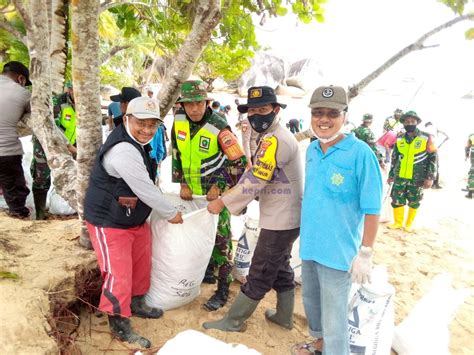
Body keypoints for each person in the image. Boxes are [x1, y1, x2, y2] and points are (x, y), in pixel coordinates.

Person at [83, 97, 183, 348]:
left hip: (132, 218)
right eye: (141, 123)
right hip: (109, 221)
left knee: (140, 265)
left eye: (152, 125)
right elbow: (145, 189)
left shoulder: (139, 142)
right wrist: (171, 212)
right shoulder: (123, 149)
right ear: (127, 119)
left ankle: (137, 304)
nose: (147, 130)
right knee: (119, 274)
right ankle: (119, 323)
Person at [203, 86, 303, 332]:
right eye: (252, 110)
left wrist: (223, 201)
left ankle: (234, 321)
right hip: (284, 215)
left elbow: (257, 178)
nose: (257, 114)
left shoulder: (277, 140)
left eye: (263, 109)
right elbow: (254, 171)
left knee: (260, 270)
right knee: (279, 266)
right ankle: (284, 316)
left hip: (282, 220)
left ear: (276, 109)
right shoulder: (269, 135)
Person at [292, 85, 383, 355]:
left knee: (334, 320)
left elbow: (373, 208)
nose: (324, 119)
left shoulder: (360, 153)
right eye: (318, 113)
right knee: (312, 305)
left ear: (345, 115)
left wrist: (365, 252)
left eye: (332, 113)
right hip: (310, 247)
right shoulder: (311, 150)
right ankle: (319, 345)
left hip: (338, 253)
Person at [171, 80, 247, 311]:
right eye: (189, 104)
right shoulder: (179, 120)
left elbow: (239, 162)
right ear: (183, 105)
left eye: (199, 103)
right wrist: (182, 182)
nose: (194, 109)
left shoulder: (219, 126)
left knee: (221, 240)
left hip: (215, 196)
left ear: (207, 102)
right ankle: (208, 273)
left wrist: (220, 186)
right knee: (198, 235)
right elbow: (177, 151)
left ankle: (222, 289)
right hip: (192, 193)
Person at [387, 111, 437, 233]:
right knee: (397, 198)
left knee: (414, 200)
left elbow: (434, 157)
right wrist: (391, 175)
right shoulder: (399, 138)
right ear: (403, 123)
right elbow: (395, 158)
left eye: (412, 122)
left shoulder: (426, 137)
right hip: (400, 176)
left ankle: (409, 224)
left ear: (417, 122)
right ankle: (398, 222)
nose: (410, 124)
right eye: (407, 122)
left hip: (417, 177)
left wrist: (430, 177)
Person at [0, 61, 32, 219]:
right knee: (15, 190)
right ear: (21, 78)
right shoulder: (23, 93)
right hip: (6, 151)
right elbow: (37, 119)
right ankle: (18, 215)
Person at [424, 121, 449, 189]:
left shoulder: (424, 129)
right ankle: (435, 184)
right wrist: (446, 137)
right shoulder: (435, 128)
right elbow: (445, 134)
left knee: (424, 164)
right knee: (435, 166)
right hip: (433, 149)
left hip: (424, 149)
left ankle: (425, 182)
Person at [464, 133, 474, 199]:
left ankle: (470, 192)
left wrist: (466, 155)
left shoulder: (471, 135)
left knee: (472, 173)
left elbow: (467, 146)